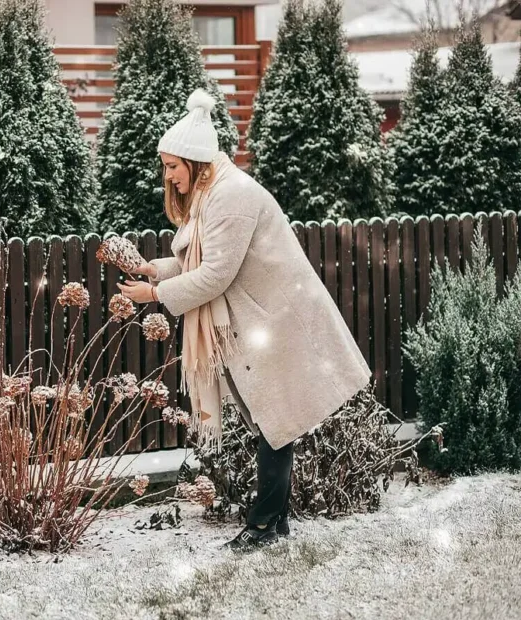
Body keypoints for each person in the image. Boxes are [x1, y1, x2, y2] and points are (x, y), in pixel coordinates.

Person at [117, 89, 371, 551]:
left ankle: (263, 524)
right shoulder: (213, 192)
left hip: (276, 320)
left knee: (275, 421)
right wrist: (154, 270)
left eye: (172, 166)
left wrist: (154, 295)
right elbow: (200, 259)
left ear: (194, 162)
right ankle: (275, 522)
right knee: (273, 423)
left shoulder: (231, 196)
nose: (167, 176)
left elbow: (216, 274)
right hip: (261, 319)